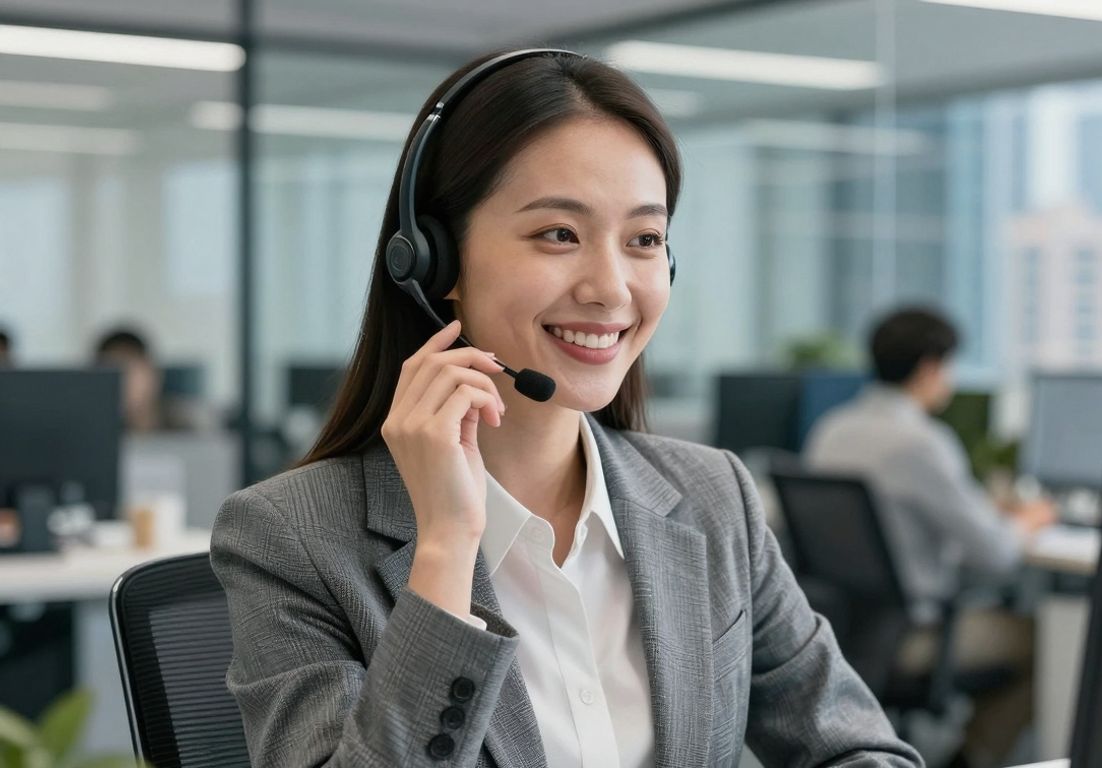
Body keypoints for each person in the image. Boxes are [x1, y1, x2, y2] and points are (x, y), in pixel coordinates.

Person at [210, 49, 922, 767]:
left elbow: (856, 748)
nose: (611, 289)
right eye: (559, 234)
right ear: (436, 260)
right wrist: (446, 549)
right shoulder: (289, 538)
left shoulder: (713, 500)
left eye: (644, 240)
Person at [804, 306, 1057, 768]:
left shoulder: (832, 430)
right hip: (913, 637)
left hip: (846, 631)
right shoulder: (922, 442)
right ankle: (970, 758)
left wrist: (984, 509)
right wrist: (1028, 521)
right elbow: (996, 554)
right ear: (929, 367)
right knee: (1044, 642)